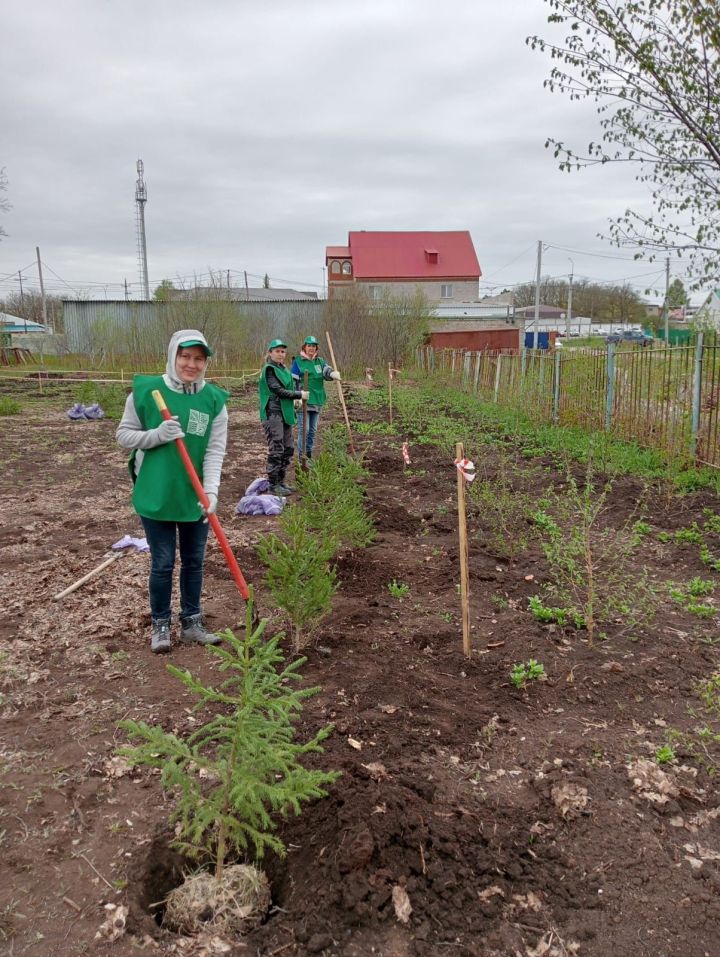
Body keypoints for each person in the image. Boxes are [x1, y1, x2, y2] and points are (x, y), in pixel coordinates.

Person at [116, 329, 229, 654]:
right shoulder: (148, 392)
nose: (191, 364)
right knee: (163, 562)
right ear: (173, 355)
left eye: (198, 358)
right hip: (157, 492)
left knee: (194, 561)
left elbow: (214, 451)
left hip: (193, 495)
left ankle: (192, 621)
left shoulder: (213, 401)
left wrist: (211, 493)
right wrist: (155, 435)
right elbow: (124, 435)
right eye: (185, 356)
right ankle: (161, 623)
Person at [259, 339, 308, 496]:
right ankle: (273, 484)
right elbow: (278, 390)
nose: (281, 354)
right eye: (277, 351)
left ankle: (281, 481)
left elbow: (290, 387)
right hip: (273, 412)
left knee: (288, 448)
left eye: (283, 351)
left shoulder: (284, 369)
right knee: (277, 447)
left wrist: (296, 400)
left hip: (285, 411)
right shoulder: (269, 370)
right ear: (270, 352)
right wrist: (298, 394)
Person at [290, 335, 341, 460]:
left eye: (313, 346)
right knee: (304, 430)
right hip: (303, 401)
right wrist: (296, 396)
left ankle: (309, 454)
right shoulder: (298, 362)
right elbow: (292, 380)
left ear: (316, 348)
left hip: (317, 400)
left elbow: (326, 371)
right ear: (304, 347)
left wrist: (332, 373)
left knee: (312, 430)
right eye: (309, 346)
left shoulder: (320, 362)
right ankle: (301, 456)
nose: (311, 348)